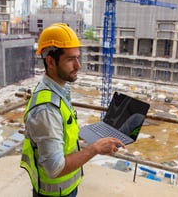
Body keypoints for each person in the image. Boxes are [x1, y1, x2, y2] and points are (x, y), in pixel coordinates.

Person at [20, 23, 125, 197]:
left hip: (66, 188)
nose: (78, 65)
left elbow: (63, 131)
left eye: (78, 57)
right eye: (70, 59)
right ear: (51, 62)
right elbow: (55, 168)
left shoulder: (59, 90)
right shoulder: (46, 109)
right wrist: (95, 148)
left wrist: (92, 134)